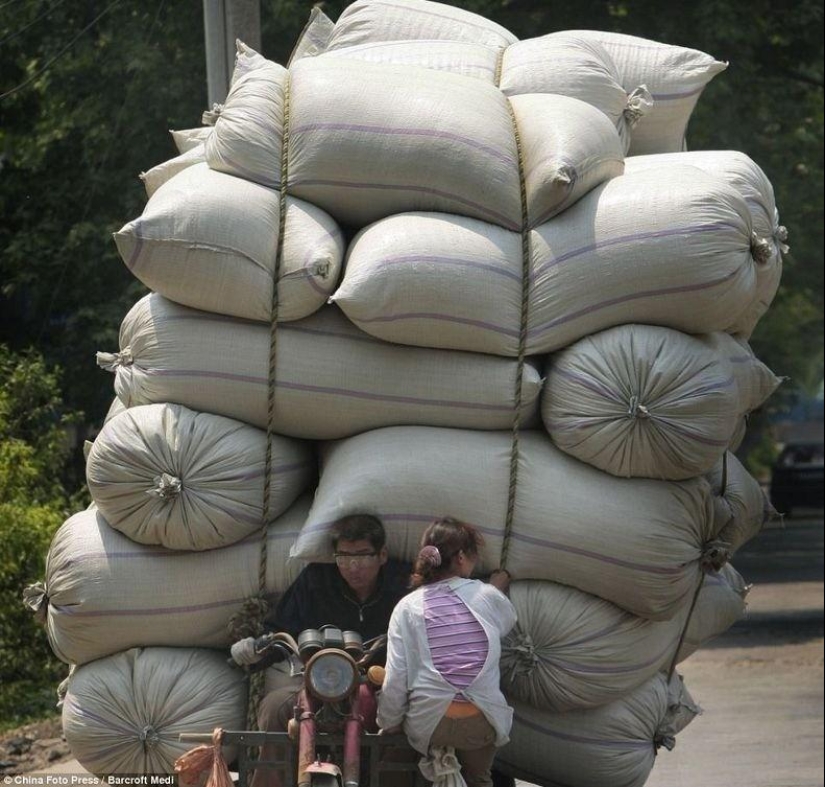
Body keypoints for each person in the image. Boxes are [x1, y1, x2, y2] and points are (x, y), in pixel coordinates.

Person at [230, 513, 411, 787]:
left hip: (379, 687)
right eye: (343, 556)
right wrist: (256, 649)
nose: (353, 567)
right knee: (275, 706)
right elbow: (282, 628)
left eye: (362, 556)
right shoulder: (316, 580)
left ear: (382, 554)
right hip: (316, 684)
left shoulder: (405, 584)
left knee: (406, 725)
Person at [377, 516, 517, 787]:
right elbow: (505, 620)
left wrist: (388, 721)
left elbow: (396, 676)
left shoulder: (408, 606)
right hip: (482, 719)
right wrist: (495, 588)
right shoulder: (487, 596)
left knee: (415, 770)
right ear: (462, 557)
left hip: (429, 722)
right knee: (479, 778)